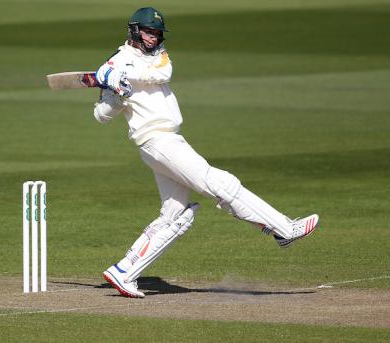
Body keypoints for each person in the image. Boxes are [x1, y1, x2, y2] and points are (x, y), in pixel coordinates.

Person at [94, 7, 320, 298]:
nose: (154, 38)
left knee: (175, 215)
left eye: (158, 33)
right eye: (149, 32)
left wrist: (123, 75)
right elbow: (101, 115)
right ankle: (283, 229)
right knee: (221, 183)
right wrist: (115, 91)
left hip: (168, 140)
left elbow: (163, 72)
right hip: (157, 142)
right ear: (135, 31)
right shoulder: (116, 62)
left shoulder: (154, 58)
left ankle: (125, 271)